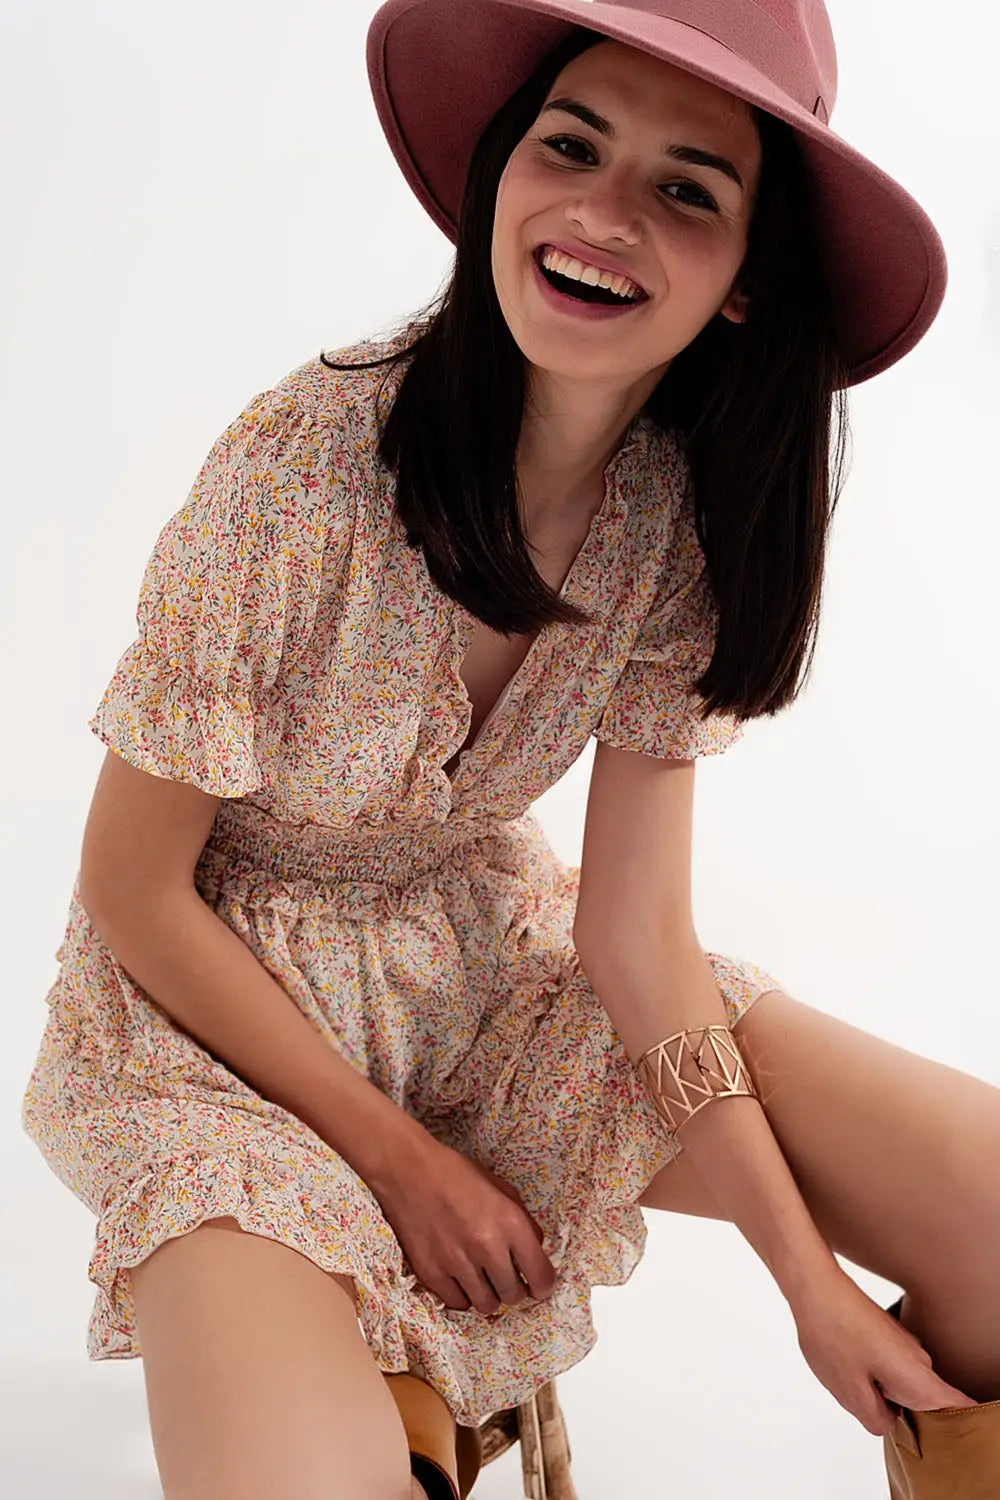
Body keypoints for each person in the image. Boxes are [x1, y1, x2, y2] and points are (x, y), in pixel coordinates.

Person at [19, 2, 1000, 1498]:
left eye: (688, 189)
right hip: (210, 1033)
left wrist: (811, 1291)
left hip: (482, 988)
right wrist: (403, 1167)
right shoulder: (298, 468)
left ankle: (413, 1377)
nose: (604, 215)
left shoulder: (678, 519)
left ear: (748, 280)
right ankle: (388, 1385)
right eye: (571, 146)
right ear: (501, 176)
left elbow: (638, 938)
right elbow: (133, 889)